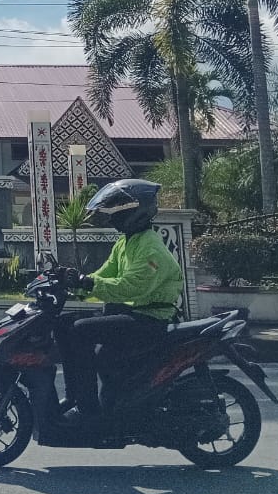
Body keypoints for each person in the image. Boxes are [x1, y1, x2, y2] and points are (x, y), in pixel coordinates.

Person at [55, 179, 183, 427]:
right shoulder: (126, 243)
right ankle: (74, 397)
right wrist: (74, 283)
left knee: (81, 332)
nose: (112, 219)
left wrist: (88, 283)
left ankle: (87, 408)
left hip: (149, 320)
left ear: (134, 213)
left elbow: (130, 286)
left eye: (118, 213)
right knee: (63, 324)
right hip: (131, 313)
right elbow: (104, 276)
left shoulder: (150, 248)